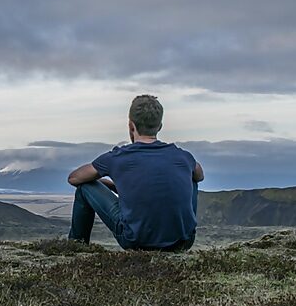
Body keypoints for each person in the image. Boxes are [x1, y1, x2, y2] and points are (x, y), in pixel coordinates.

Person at [66, 94, 204, 251]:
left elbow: (74, 178)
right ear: (160, 126)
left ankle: (75, 247)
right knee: (192, 178)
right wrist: (117, 186)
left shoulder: (117, 157)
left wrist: (100, 182)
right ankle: (180, 231)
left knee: (84, 188)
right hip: (183, 242)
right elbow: (200, 175)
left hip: (135, 241)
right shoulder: (183, 156)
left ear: (131, 126)